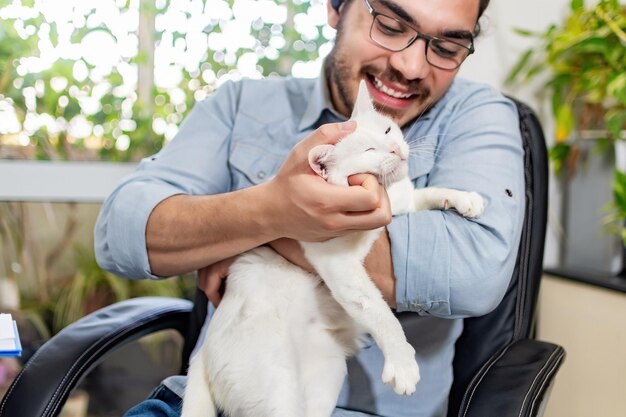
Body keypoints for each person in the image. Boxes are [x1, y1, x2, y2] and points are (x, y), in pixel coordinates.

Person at [94, 0, 525, 416]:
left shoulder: (476, 115)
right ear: (336, 8)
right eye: (391, 26)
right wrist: (268, 210)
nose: (411, 67)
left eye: (447, 48)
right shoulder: (241, 104)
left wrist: (253, 232)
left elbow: (476, 270)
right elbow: (122, 231)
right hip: (215, 393)